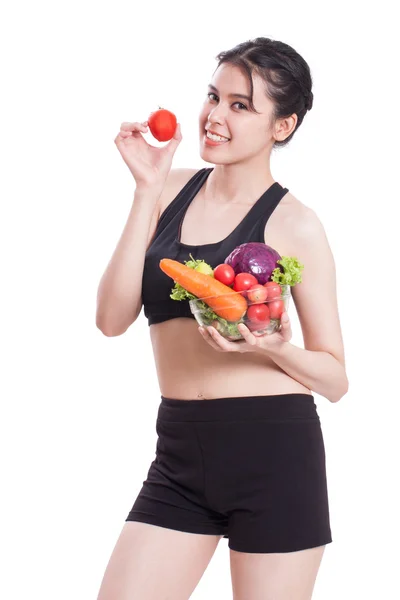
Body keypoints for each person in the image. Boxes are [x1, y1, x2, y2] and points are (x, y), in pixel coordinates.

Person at [95, 36, 349, 600]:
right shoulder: (169, 191)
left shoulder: (296, 224)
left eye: (241, 105)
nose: (214, 116)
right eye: (214, 96)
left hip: (275, 456)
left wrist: (274, 347)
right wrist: (145, 189)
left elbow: (335, 379)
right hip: (180, 451)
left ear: (282, 126)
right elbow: (111, 319)